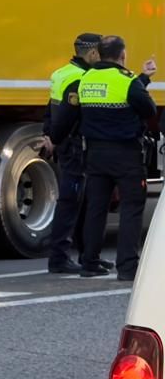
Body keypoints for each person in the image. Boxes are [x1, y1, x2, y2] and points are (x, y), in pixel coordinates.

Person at [74, 35, 157, 281]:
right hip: (125, 155)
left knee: (96, 208)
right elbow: (148, 109)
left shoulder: (86, 79)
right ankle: (127, 267)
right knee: (131, 208)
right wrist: (142, 80)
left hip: (95, 154)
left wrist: (143, 77)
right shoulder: (128, 81)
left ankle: (89, 262)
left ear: (98, 54)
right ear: (122, 56)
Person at [42, 32, 106, 274]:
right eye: (100, 53)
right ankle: (59, 258)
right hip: (76, 146)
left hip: (66, 145)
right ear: (92, 53)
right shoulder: (83, 78)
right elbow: (73, 116)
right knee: (70, 202)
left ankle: (86, 255)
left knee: (81, 202)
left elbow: (50, 108)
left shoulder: (60, 73)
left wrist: (48, 134)